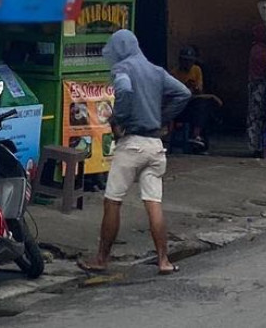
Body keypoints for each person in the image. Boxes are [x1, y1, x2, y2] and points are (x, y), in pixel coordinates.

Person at [79, 30, 190, 277]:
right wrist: (162, 117)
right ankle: (164, 260)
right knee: (154, 204)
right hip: (155, 145)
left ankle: (101, 259)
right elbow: (183, 93)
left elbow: (125, 91)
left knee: (112, 201)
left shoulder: (123, 69)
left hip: (131, 145)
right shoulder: (156, 71)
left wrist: (119, 119)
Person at [173, 45, 222, 153]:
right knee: (202, 108)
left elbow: (198, 91)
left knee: (203, 107)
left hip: (193, 104)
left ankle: (197, 137)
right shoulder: (175, 73)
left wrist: (195, 89)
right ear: (181, 61)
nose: (188, 64)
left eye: (190, 61)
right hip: (181, 107)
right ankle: (196, 136)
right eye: (185, 61)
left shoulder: (196, 70)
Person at [247, 23, 266, 158]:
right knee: (256, 117)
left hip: (258, 86)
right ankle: (256, 147)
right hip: (258, 87)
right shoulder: (259, 50)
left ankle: (258, 146)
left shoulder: (259, 48)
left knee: (257, 118)